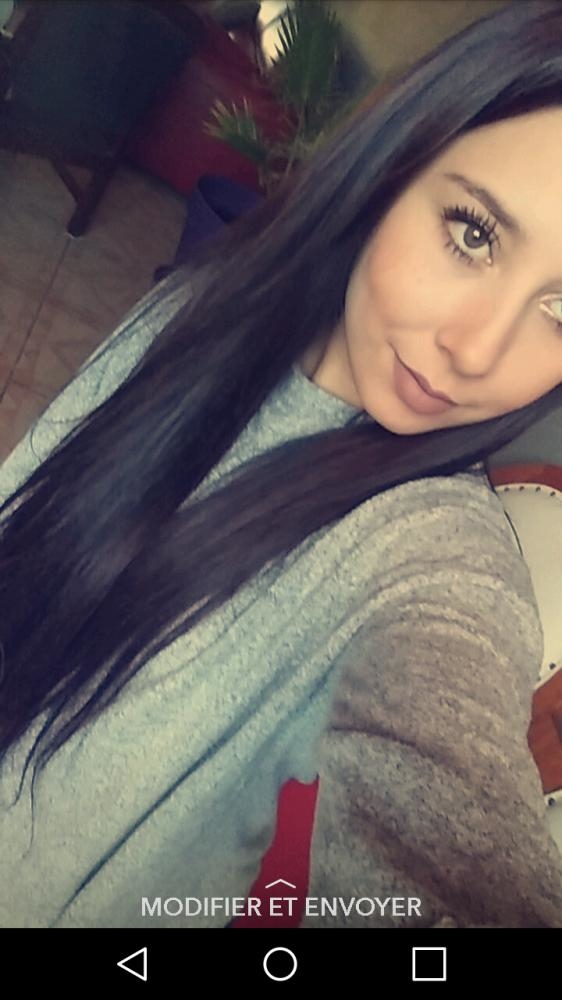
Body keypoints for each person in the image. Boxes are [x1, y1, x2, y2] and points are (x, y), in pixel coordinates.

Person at [1, 0, 562, 929]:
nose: (476, 350)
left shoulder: (435, 562)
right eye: (474, 233)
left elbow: (443, 820)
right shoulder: (211, 300)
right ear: (395, 160)